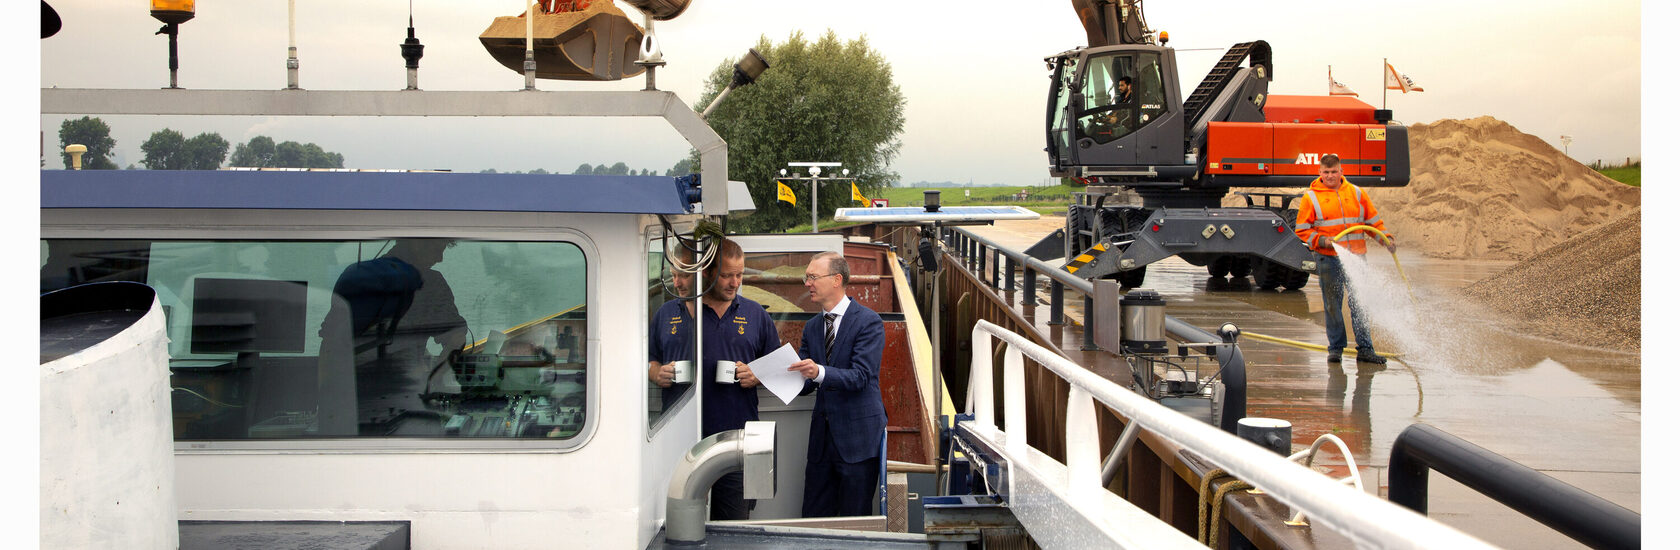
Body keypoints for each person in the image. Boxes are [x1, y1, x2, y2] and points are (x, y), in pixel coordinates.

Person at [647, 238, 780, 520]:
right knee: (679, 526)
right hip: (678, 442)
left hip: (736, 442)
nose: (735, 283)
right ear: (706, 274)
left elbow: (779, 368)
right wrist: (656, 372)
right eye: (727, 275)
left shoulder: (756, 314)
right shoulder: (667, 313)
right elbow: (646, 360)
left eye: (740, 275)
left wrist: (757, 374)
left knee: (734, 528)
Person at [787, 251, 887, 518]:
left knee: (854, 518)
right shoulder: (811, 327)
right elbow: (808, 383)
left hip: (857, 441)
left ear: (836, 279)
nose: (807, 283)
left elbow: (861, 377)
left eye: (812, 277)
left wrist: (817, 371)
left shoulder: (869, 322)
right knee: (813, 517)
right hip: (822, 443)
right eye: (806, 277)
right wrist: (781, 375)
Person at [1294, 153, 1394, 365]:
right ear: (1319, 173)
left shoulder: (1356, 193)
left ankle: (1365, 349)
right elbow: (1302, 230)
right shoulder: (1311, 197)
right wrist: (1322, 241)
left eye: (1334, 171)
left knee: (1360, 303)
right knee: (1332, 305)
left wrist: (1386, 239)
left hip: (1357, 258)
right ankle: (1336, 349)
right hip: (1328, 259)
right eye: (1326, 172)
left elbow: (1373, 222)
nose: (1330, 176)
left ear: (1341, 171)